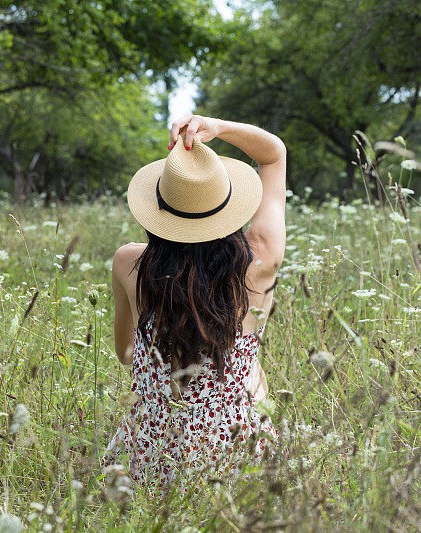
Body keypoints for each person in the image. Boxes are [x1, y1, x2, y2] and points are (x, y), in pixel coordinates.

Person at [102, 115, 286, 491]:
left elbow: (125, 353)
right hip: (237, 458)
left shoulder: (127, 263)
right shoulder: (261, 262)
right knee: (254, 382)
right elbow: (273, 156)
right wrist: (219, 127)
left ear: (157, 211)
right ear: (228, 205)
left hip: (151, 459)